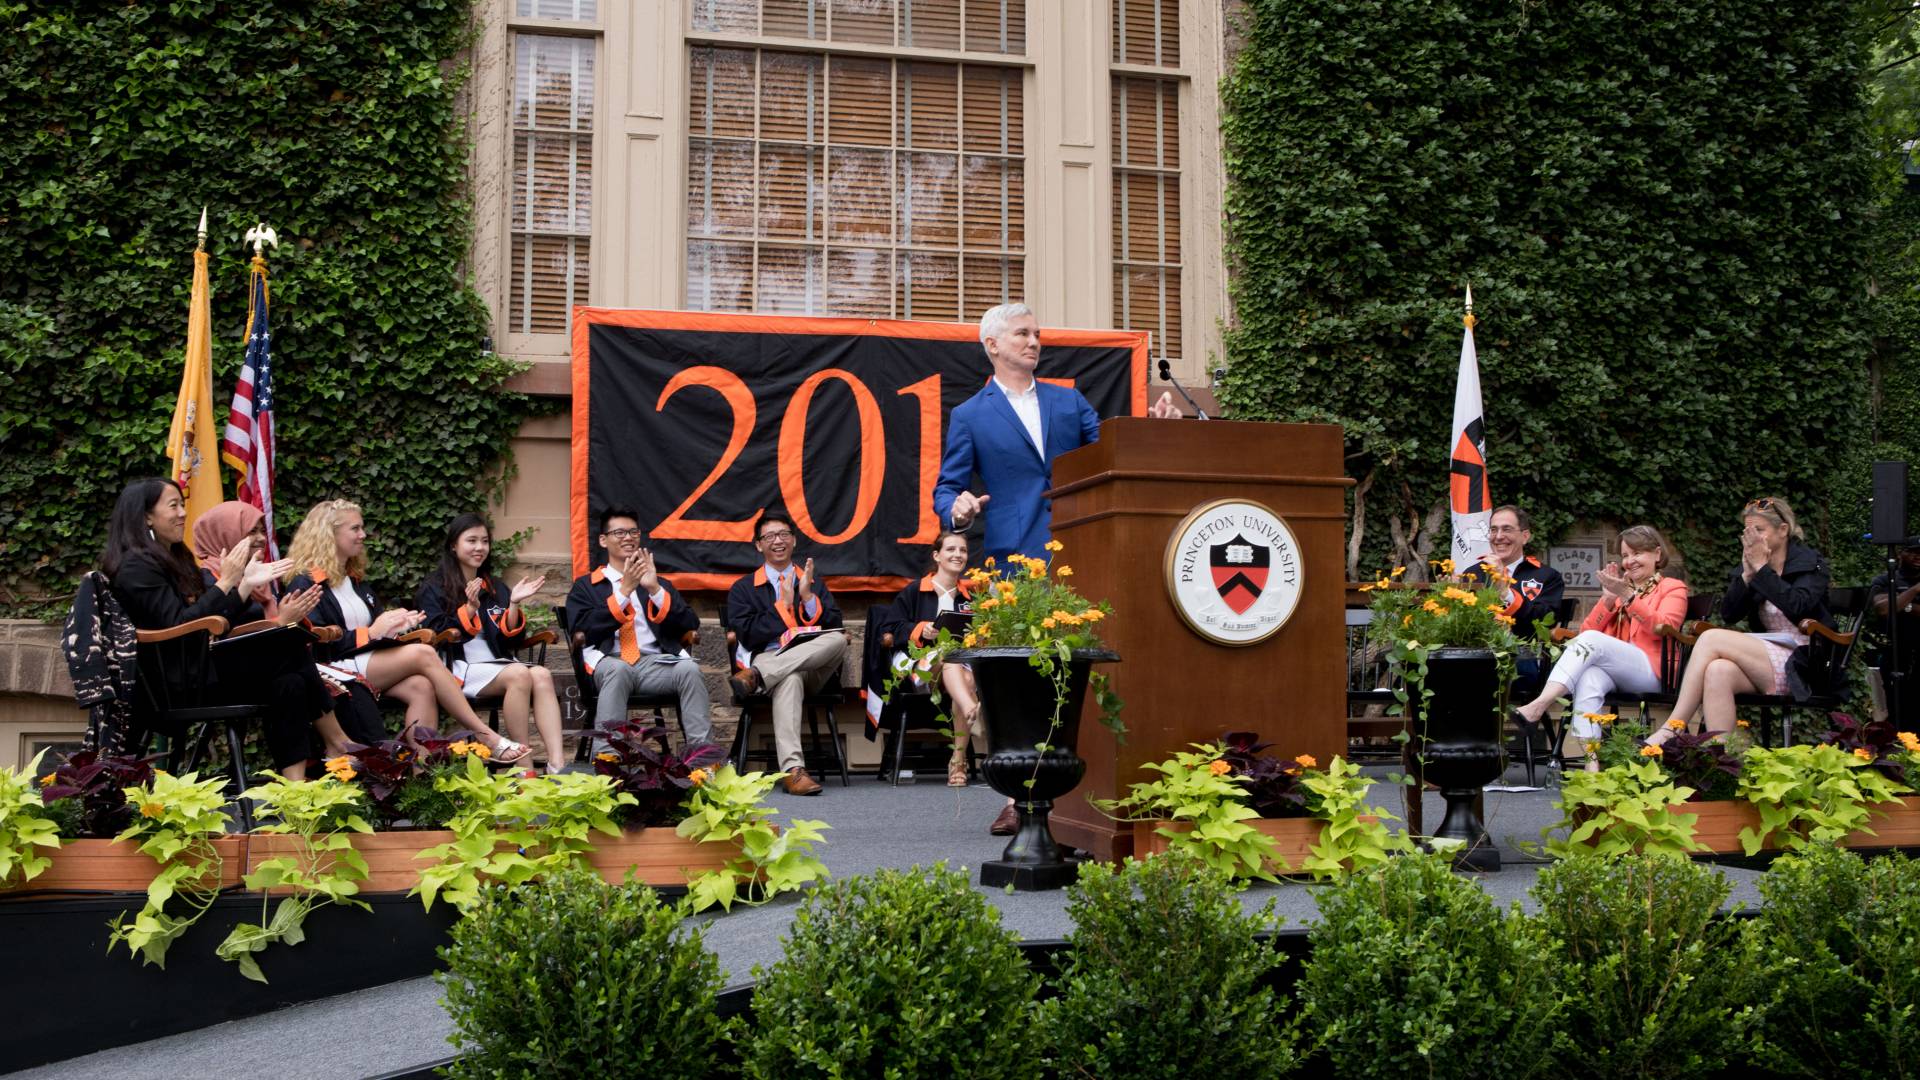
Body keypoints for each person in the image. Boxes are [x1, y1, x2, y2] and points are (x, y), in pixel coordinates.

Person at [103, 478, 357, 779]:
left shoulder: (174, 558)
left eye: (183, 504)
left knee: (290, 682)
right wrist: (227, 582)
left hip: (201, 669)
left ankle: (296, 790)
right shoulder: (135, 566)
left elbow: (208, 618)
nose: (184, 513)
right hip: (175, 683)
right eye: (174, 505)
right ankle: (338, 741)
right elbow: (181, 626)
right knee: (286, 643)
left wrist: (244, 585)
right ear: (145, 515)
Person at [284, 498, 532, 765]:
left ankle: (419, 774)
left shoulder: (354, 581)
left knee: (421, 686)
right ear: (329, 534)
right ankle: (486, 736)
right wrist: (373, 631)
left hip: (361, 663)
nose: (363, 535)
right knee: (423, 654)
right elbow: (316, 642)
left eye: (362, 528)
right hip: (329, 670)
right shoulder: (306, 582)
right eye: (355, 529)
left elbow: (374, 630)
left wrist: (396, 625)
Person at [933, 302, 1180, 564]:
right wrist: (956, 511)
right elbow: (947, 488)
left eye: (1037, 335)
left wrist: (1155, 431)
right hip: (1015, 557)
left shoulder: (1069, 400)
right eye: (1022, 334)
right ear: (993, 345)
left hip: (1082, 543)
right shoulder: (969, 415)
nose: (1034, 342)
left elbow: (1111, 451)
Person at [1651, 496, 1833, 744]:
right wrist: (1747, 577)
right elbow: (1729, 614)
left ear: (1783, 530)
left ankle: (1675, 726)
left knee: (1711, 637)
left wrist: (1762, 570)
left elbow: (1799, 606)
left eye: (1760, 530)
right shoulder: (1757, 565)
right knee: (1718, 671)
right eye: (1748, 531)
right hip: (1768, 656)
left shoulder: (1811, 564)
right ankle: (1722, 760)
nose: (1753, 538)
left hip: (1805, 663)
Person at [1509, 526, 1689, 770]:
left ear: (1657, 554)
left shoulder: (1672, 587)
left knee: (1593, 641)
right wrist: (1607, 599)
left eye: (1637, 554)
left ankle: (1539, 705)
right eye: (1625, 556)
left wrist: (1627, 596)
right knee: (1590, 677)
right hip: (1622, 672)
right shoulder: (1620, 591)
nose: (1629, 561)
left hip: (1655, 672)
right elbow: (1584, 634)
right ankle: (1591, 764)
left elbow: (1664, 626)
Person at [418, 514, 567, 774]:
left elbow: (511, 640)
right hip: (456, 667)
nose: (479, 548)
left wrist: (514, 604)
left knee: (542, 674)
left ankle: (558, 764)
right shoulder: (434, 587)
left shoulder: (494, 586)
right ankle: (523, 766)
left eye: (484, 541)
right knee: (519, 674)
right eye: (471, 540)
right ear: (453, 545)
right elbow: (436, 632)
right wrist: (469, 609)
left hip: (495, 664)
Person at [562, 508, 711, 756]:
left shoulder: (657, 582)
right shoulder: (586, 586)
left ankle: (702, 759)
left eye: (633, 532)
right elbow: (584, 630)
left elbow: (689, 622)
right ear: (603, 540)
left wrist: (654, 590)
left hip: (653, 664)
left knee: (690, 669)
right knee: (618, 670)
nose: (628, 537)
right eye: (619, 532)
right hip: (609, 662)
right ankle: (607, 761)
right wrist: (623, 593)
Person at [724, 512, 848, 796]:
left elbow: (833, 625)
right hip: (770, 658)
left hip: (811, 668)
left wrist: (807, 598)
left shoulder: (812, 579)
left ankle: (756, 676)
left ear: (793, 540)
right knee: (788, 677)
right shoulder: (743, 588)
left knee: (838, 640)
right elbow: (748, 635)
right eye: (769, 536)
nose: (777, 541)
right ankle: (794, 772)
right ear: (758, 545)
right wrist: (782, 607)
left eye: (783, 535)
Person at [869, 531, 981, 787]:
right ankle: (971, 708)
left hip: (956, 669)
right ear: (937, 555)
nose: (957, 555)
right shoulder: (915, 590)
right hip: (919, 668)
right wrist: (920, 629)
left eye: (962, 550)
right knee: (948, 657)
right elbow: (888, 631)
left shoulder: (971, 597)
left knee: (963, 674)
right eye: (951, 549)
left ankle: (958, 761)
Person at [1867, 542, 1920, 731]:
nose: (1917, 557)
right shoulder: (1885, 580)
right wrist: (1914, 591)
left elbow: (1892, 606)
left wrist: (1904, 606)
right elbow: (1882, 609)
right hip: (1895, 652)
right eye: (1912, 552)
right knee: (1896, 710)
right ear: (1901, 553)